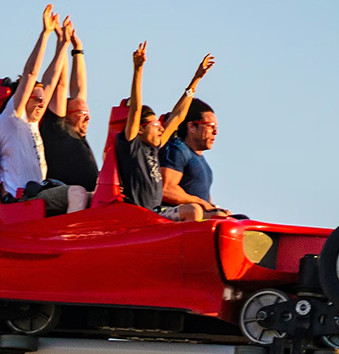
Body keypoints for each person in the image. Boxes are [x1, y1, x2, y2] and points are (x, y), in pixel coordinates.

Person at [0, 5, 88, 216]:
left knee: (93, 199)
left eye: (42, 100)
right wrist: (45, 34)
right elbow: (31, 74)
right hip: (22, 200)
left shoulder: (33, 123)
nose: (40, 104)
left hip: (39, 194)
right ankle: (70, 233)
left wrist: (63, 44)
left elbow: (52, 80)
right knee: (77, 193)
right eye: (35, 99)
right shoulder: (12, 118)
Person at [117, 42, 215, 222]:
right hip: (143, 215)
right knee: (192, 210)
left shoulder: (154, 147)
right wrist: (138, 69)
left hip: (159, 212)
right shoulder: (132, 146)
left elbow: (178, 116)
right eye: (155, 125)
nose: (161, 128)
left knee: (219, 216)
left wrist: (196, 79)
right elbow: (136, 110)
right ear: (140, 129)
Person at [38, 22, 98, 192]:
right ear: (66, 114)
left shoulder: (77, 133)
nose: (88, 117)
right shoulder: (57, 129)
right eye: (82, 113)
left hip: (92, 197)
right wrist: (62, 43)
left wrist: (78, 50)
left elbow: (79, 90)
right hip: (69, 199)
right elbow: (60, 84)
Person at [161, 98, 228, 216]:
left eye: (216, 127)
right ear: (191, 126)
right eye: (210, 126)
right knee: (217, 216)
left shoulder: (201, 160)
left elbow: (206, 201)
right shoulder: (177, 150)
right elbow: (166, 189)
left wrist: (213, 208)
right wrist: (200, 202)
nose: (215, 132)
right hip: (176, 217)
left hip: (199, 215)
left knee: (238, 219)